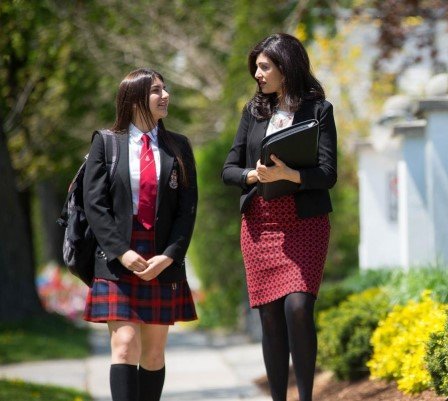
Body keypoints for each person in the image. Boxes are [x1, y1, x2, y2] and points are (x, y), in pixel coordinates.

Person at [222, 32, 337, 401]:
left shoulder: (319, 111)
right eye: (255, 66)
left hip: (305, 221)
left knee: (299, 308)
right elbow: (229, 169)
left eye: (264, 66)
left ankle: (305, 396)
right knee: (270, 319)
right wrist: (253, 176)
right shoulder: (252, 112)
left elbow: (327, 174)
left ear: (286, 68)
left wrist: (290, 175)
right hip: (260, 223)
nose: (257, 73)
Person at [83, 67, 198, 401]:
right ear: (134, 100)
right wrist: (122, 251)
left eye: (165, 89)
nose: (165, 96)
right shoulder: (107, 144)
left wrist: (169, 255)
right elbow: (95, 205)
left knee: (153, 355)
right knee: (123, 347)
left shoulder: (179, 146)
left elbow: (187, 209)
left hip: (162, 258)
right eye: (155, 91)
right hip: (117, 258)